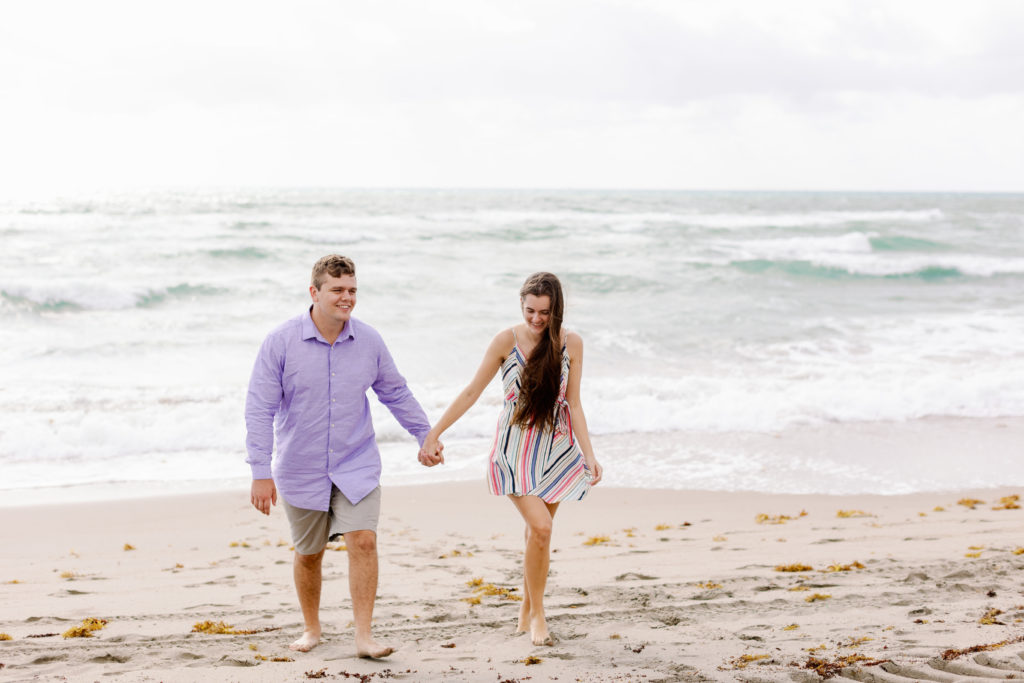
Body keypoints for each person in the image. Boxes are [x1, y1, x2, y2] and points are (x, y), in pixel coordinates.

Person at [245, 254, 444, 657]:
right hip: (300, 467)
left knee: (364, 541)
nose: (346, 297)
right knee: (309, 553)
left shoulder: (369, 340)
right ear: (314, 292)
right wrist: (259, 471)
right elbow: (259, 408)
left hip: (357, 463)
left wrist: (425, 434)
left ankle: (364, 637)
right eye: (337, 290)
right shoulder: (280, 342)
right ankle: (312, 629)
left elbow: (395, 391)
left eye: (352, 290)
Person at [419, 271, 603, 646]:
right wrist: (434, 432)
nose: (537, 319)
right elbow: (472, 391)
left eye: (545, 312)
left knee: (537, 536)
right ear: (521, 306)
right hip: (514, 450)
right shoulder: (507, 340)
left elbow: (574, 403)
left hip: (556, 450)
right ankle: (538, 615)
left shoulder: (572, 343)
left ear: (557, 310)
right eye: (531, 310)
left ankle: (525, 609)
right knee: (541, 529)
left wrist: (590, 454)